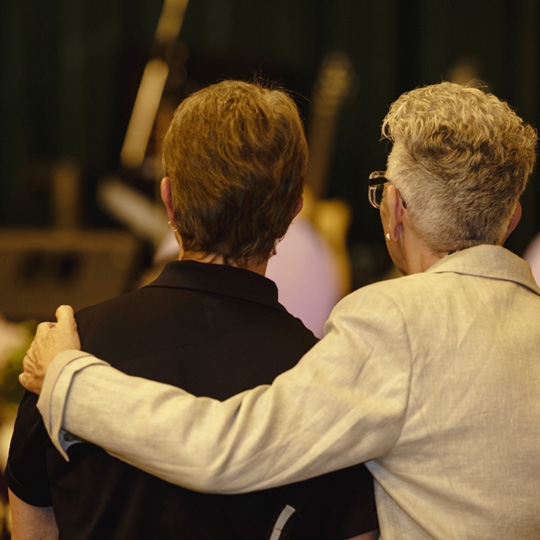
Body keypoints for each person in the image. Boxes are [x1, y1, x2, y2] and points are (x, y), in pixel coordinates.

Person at [18, 81, 540, 538]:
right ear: (512, 219)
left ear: (394, 208)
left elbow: (223, 451)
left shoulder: (393, 321)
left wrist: (68, 378)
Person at [5, 80, 378, 540]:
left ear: (168, 200)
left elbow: (31, 524)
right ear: (293, 213)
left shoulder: (64, 350)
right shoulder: (323, 377)